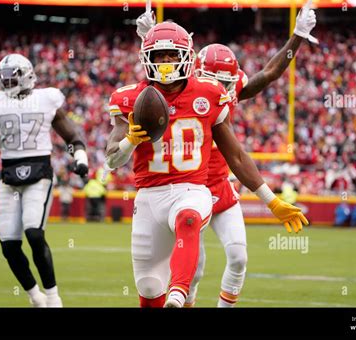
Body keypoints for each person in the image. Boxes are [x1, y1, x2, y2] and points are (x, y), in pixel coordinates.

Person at [106, 21, 308, 308]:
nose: (165, 62)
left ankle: (178, 295)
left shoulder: (209, 92)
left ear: (186, 56)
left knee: (189, 218)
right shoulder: (130, 98)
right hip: (149, 196)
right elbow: (112, 158)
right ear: (146, 58)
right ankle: (170, 295)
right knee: (149, 288)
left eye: (172, 55)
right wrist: (129, 140)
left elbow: (235, 155)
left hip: (192, 188)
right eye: (159, 55)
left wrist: (271, 201)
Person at [0, 54, 89, 307]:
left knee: (34, 233)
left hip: (39, 173)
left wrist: (80, 158)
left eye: (13, 75)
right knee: (9, 245)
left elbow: (72, 134)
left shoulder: (46, 98)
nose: (8, 80)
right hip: (9, 177)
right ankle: (36, 297)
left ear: (27, 75)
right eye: (4, 76)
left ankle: (54, 298)